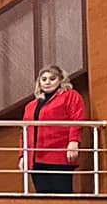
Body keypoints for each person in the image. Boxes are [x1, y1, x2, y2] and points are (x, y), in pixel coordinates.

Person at [21, 65, 88, 194]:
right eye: (44, 79)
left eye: (52, 78)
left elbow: (77, 119)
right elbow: (25, 132)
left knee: (62, 194)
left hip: (59, 154)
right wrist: (23, 154)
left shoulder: (70, 96)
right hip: (36, 157)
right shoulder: (31, 105)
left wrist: (74, 141)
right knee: (42, 196)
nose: (47, 82)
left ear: (60, 80)